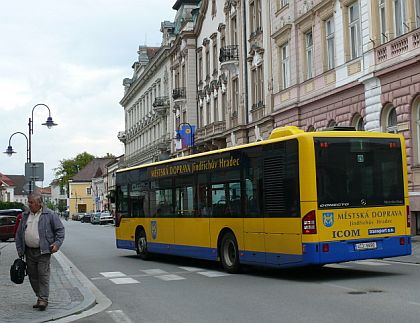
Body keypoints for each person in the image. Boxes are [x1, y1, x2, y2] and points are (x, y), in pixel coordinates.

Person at [15, 192, 65, 311]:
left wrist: (57, 244)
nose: (29, 204)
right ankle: (40, 297)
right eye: (29, 202)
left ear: (39, 203)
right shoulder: (25, 216)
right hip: (28, 251)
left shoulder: (50, 215)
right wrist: (20, 249)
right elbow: (19, 234)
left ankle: (43, 299)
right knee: (32, 276)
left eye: (31, 202)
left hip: (44, 250)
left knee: (43, 275)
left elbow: (60, 231)